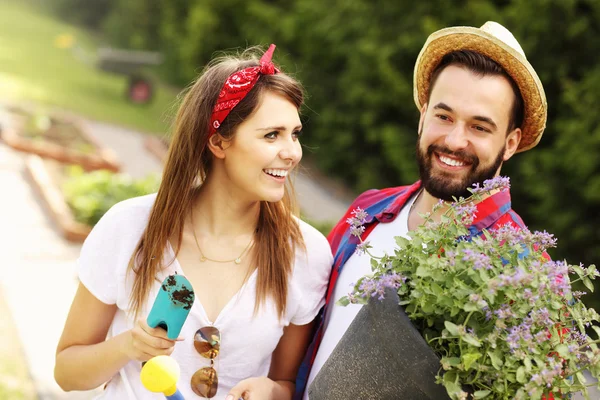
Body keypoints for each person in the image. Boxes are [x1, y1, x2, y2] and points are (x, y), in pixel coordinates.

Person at [54, 44, 333, 400]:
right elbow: (67, 372)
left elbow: (286, 384)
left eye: (295, 134)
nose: (292, 152)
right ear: (218, 142)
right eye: (271, 135)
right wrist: (129, 346)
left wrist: (273, 392)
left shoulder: (305, 253)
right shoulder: (129, 227)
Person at [296, 21, 548, 398]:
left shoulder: (526, 272)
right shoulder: (369, 210)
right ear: (423, 115)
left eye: (480, 127)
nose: (454, 140)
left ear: (510, 143)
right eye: (444, 117)